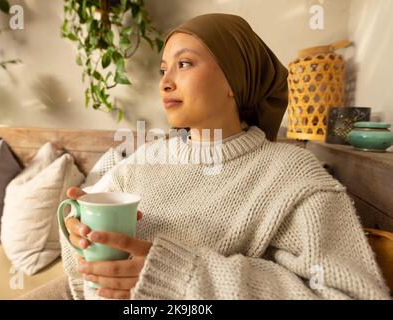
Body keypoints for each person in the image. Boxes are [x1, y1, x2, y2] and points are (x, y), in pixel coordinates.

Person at [20, 13, 390, 300]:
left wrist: (185, 277)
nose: (165, 81)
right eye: (164, 69)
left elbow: (352, 293)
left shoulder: (291, 177)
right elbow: (81, 272)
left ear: (234, 79)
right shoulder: (142, 158)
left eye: (184, 64)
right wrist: (78, 231)